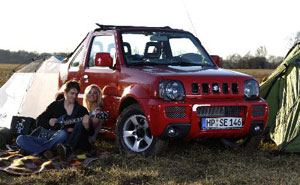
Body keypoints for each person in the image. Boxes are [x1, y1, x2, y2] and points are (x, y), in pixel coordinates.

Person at [16, 81, 91, 158]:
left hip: (65, 142)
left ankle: (35, 150)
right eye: (72, 93)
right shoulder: (55, 106)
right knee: (20, 139)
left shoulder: (81, 110)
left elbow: (89, 133)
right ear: (65, 92)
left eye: (76, 94)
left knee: (63, 134)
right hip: (47, 139)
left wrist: (86, 126)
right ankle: (47, 152)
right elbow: (39, 120)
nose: (74, 96)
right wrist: (49, 122)